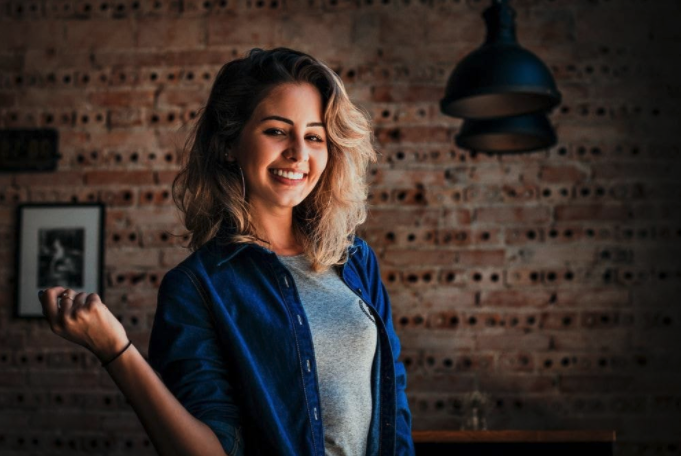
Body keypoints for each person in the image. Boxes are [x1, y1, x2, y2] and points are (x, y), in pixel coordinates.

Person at [38, 47, 414, 456]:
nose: (298, 153)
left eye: (314, 136)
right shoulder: (197, 288)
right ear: (229, 144)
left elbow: (395, 405)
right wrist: (116, 352)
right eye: (276, 130)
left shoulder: (356, 261)